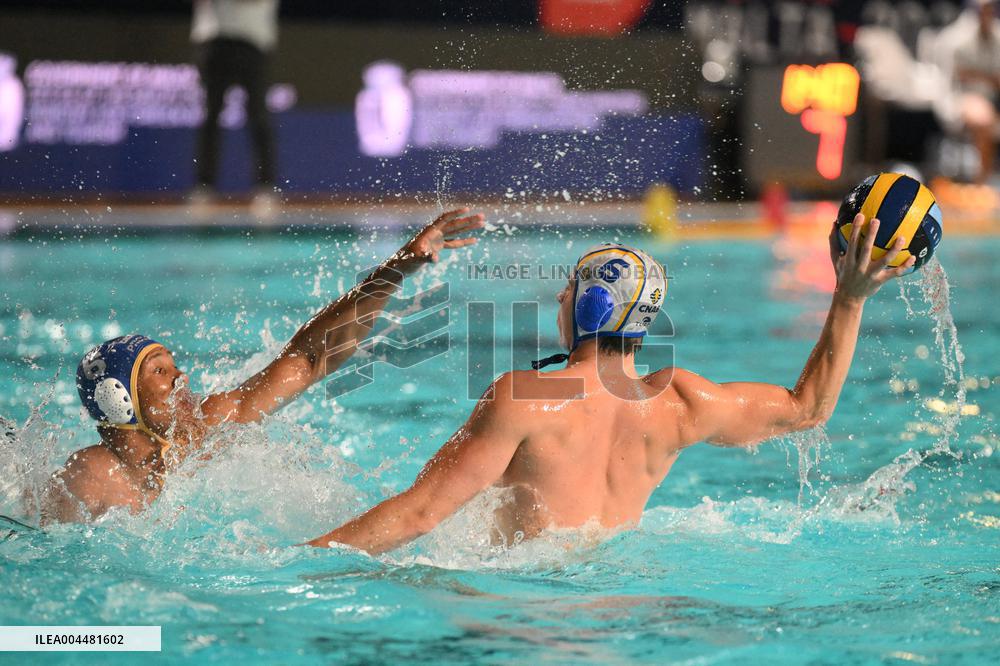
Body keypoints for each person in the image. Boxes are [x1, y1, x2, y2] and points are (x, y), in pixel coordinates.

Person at [305, 214, 916, 554]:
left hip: (522, 606)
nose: (557, 298)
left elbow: (418, 514)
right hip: (614, 598)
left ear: (593, 306)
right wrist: (850, 296)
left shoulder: (526, 398)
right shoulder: (679, 404)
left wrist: (299, 561)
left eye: (569, 289)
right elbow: (807, 408)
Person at [40, 209, 484, 525]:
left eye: (173, 365)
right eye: (159, 370)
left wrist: (398, 268)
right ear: (119, 400)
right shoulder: (89, 477)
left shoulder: (206, 431)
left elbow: (308, 359)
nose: (181, 376)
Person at [190, 0, 280, 209]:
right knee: (210, 116)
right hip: (214, 40)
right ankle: (204, 186)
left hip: (253, 41)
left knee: (258, 115)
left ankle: (265, 186)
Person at [948, 0, 1000, 184]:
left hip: (992, 100)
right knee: (983, 118)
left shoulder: (997, 39)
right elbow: (959, 77)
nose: (985, 17)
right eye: (981, 12)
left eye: (989, 12)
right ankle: (980, 182)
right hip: (964, 98)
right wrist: (988, 78)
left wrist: (984, 77)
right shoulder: (959, 39)